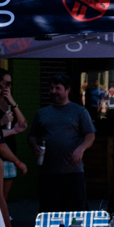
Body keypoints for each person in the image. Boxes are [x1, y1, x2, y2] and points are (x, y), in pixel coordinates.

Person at [28, 75, 96, 213]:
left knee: (76, 210)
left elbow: (90, 134)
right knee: (49, 210)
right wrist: (34, 146)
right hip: (48, 173)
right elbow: (32, 135)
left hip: (73, 172)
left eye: (57, 88)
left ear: (67, 90)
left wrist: (81, 148)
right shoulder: (42, 113)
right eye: (51, 88)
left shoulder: (79, 111)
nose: (53, 91)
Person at [0, 69, 29, 177]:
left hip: (10, 154)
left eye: (11, 84)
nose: (9, 87)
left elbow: (23, 124)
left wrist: (13, 103)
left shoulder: (8, 103)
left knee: (4, 193)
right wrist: (2, 121)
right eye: (7, 83)